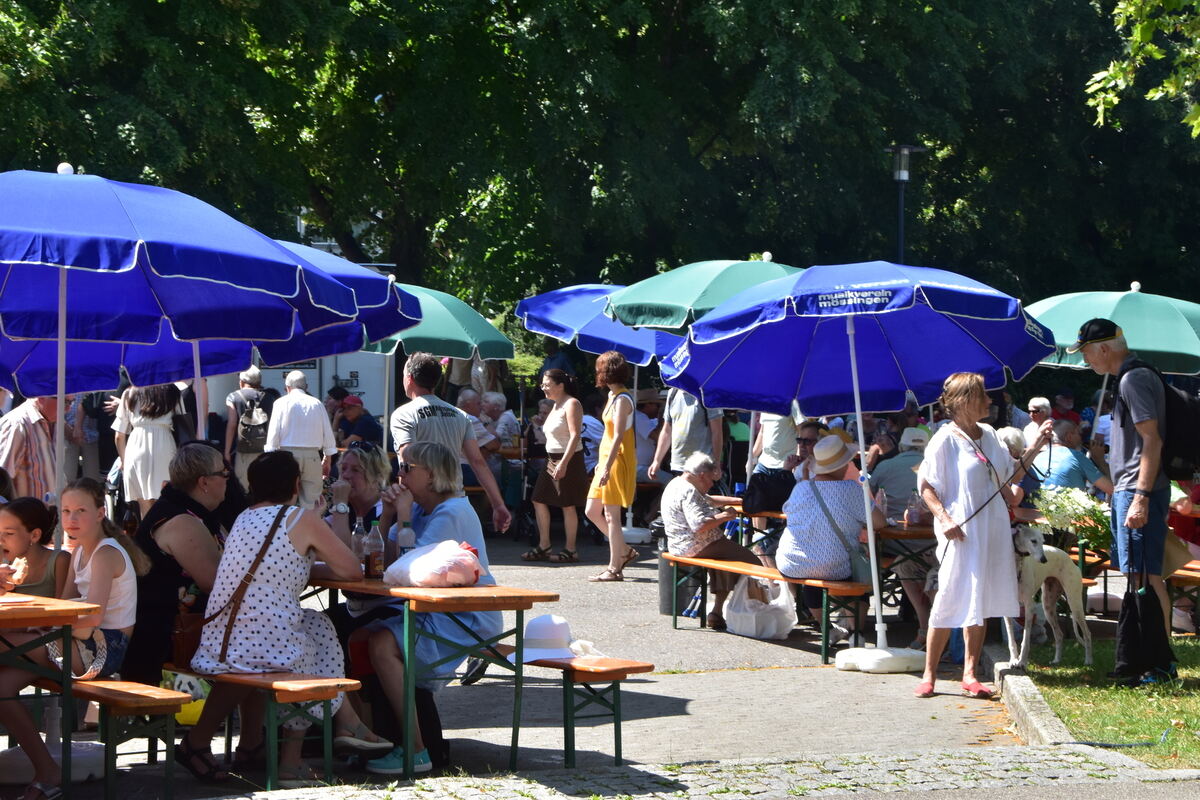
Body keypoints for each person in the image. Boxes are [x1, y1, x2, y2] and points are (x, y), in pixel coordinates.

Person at [181, 451, 389, 787]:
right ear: (295, 484)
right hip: (260, 644)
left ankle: (345, 724)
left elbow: (280, 566)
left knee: (316, 625)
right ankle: (297, 758)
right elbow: (352, 568)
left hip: (223, 635)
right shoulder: (299, 519)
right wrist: (337, 506)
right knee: (309, 649)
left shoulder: (245, 518)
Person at [0, 478, 148, 800]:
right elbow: (61, 606)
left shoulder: (106, 552)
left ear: (100, 512)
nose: (71, 519)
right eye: (66, 511)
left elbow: (92, 617)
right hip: (70, 639)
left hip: (102, 648)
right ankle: (47, 769)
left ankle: (47, 770)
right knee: (1, 688)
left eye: (80, 510)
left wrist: (35, 625)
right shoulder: (78, 550)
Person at [365, 442, 502, 775]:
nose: (400, 475)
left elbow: (416, 570)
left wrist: (404, 514)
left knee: (380, 644)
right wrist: (386, 517)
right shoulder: (425, 510)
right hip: (436, 612)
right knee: (358, 633)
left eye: (408, 468)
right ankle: (374, 737)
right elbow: (383, 561)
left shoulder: (452, 511)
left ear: (433, 474)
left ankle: (415, 750)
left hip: (465, 619)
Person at [915, 372, 1050, 699]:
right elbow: (926, 486)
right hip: (960, 530)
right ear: (964, 402)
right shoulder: (944, 439)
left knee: (980, 598)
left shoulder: (989, 434)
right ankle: (929, 675)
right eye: (983, 396)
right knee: (949, 595)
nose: (990, 401)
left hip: (992, 528)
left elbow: (1011, 476)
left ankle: (971, 674)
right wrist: (944, 519)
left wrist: (1035, 446)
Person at [1071, 318, 1174, 661]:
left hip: (1138, 491)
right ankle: (1151, 651)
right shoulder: (1129, 378)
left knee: (1146, 574)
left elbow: (1152, 440)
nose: (1085, 360)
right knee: (1137, 572)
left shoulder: (1133, 379)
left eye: (1086, 352)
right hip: (1128, 489)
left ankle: (1158, 656)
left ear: (1103, 348)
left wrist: (1140, 498)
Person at [122, 442, 241, 687]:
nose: (228, 479)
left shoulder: (187, 512)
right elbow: (216, 584)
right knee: (258, 651)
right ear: (204, 482)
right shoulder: (183, 521)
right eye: (223, 473)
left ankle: (239, 726)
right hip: (164, 641)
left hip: (179, 631)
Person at [778, 435, 886, 644]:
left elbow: (788, 512)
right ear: (843, 464)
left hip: (793, 563)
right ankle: (857, 633)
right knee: (860, 576)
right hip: (834, 565)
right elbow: (879, 522)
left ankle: (827, 628)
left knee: (813, 568)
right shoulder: (852, 490)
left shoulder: (800, 488)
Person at [389, 353, 511, 533]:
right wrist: (498, 504)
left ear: (410, 378)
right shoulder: (459, 415)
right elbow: (478, 463)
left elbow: (406, 460)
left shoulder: (404, 413)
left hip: (422, 504)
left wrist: (402, 505)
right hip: (456, 501)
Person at [661, 452, 761, 630]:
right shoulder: (689, 491)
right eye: (711, 480)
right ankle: (755, 610)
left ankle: (717, 612)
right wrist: (726, 515)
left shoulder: (677, 483)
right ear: (702, 476)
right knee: (753, 562)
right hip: (696, 545)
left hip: (680, 544)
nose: (712, 484)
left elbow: (709, 500)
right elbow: (699, 524)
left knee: (726, 562)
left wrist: (740, 501)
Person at [869, 427, 934, 647]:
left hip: (897, 544)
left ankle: (925, 625)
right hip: (935, 543)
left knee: (904, 564)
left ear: (902, 446)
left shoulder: (886, 466)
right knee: (912, 565)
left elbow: (870, 497)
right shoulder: (934, 468)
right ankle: (926, 627)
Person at [584, 351, 638, 582]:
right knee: (592, 511)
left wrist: (606, 465)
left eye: (600, 369)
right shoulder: (613, 396)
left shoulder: (623, 399)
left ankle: (614, 568)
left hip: (616, 460)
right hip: (606, 460)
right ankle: (623, 551)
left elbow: (617, 437)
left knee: (610, 515)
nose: (597, 373)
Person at [525, 369, 587, 563]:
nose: (543, 387)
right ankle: (544, 544)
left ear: (560, 385)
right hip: (551, 457)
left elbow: (575, 435)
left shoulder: (572, 403)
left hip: (568, 458)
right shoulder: (555, 405)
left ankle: (571, 549)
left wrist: (564, 463)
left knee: (567, 505)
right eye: (542, 384)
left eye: (547, 383)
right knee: (538, 498)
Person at [264, 370, 338, 509]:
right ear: (306, 387)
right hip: (312, 456)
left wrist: (271, 456)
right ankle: (311, 527)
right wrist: (327, 458)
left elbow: (273, 433)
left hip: (286, 456)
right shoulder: (317, 404)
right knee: (312, 500)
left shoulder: (280, 403)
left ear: (287, 387)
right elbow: (327, 433)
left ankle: (286, 527)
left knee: (284, 497)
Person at [114, 384, 188, 516]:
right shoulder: (172, 391)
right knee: (166, 501)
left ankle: (148, 534)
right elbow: (183, 424)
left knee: (145, 507)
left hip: (135, 447)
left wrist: (124, 461)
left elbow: (119, 436)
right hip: (164, 445)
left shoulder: (128, 393)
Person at [648, 388, 723, 484]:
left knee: (700, 499)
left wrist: (716, 463)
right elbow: (666, 431)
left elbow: (717, 431)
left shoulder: (708, 393)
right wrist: (656, 461)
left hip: (701, 467)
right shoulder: (673, 393)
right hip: (677, 466)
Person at [0, 497, 69, 598]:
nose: (1, 540)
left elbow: (67, 607)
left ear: (34, 535)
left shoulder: (59, 561)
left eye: (9, 533)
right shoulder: (3, 565)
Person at [0, 395, 57, 503]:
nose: (68, 408)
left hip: (48, 515)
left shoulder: (55, 423)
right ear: (42, 397)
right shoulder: (17, 425)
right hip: (24, 516)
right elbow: (2, 480)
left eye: (71, 402)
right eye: (65, 402)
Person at [1034, 419, 1115, 496]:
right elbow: (1111, 489)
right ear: (1069, 437)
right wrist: (1100, 460)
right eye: (1079, 434)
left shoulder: (1037, 457)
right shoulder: (1077, 457)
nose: (1081, 438)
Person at [224, 366, 268, 494]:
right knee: (263, 486)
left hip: (243, 449)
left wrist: (227, 452)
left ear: (242, 382)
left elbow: (232, 424)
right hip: (264, 451)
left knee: (243, 488)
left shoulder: (233, 397)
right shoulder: (269, 397)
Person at [455, 389, 498, 488]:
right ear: (469, 404)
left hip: (443, 470)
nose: (482, 407)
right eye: (478, 403)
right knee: (495, 480)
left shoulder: (447, 415)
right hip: (464, 470)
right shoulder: (469, 418)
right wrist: (486, 422)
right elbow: (494, 445)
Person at [632, 389, 666, 484]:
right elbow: (658, 437)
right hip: (638, 468)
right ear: (648, 405)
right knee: (670, 481)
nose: (658, 409)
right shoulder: (639, 417)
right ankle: (658, 500)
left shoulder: (643, 418)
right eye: (657, 405)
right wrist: (663, 418)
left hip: (643, 467)